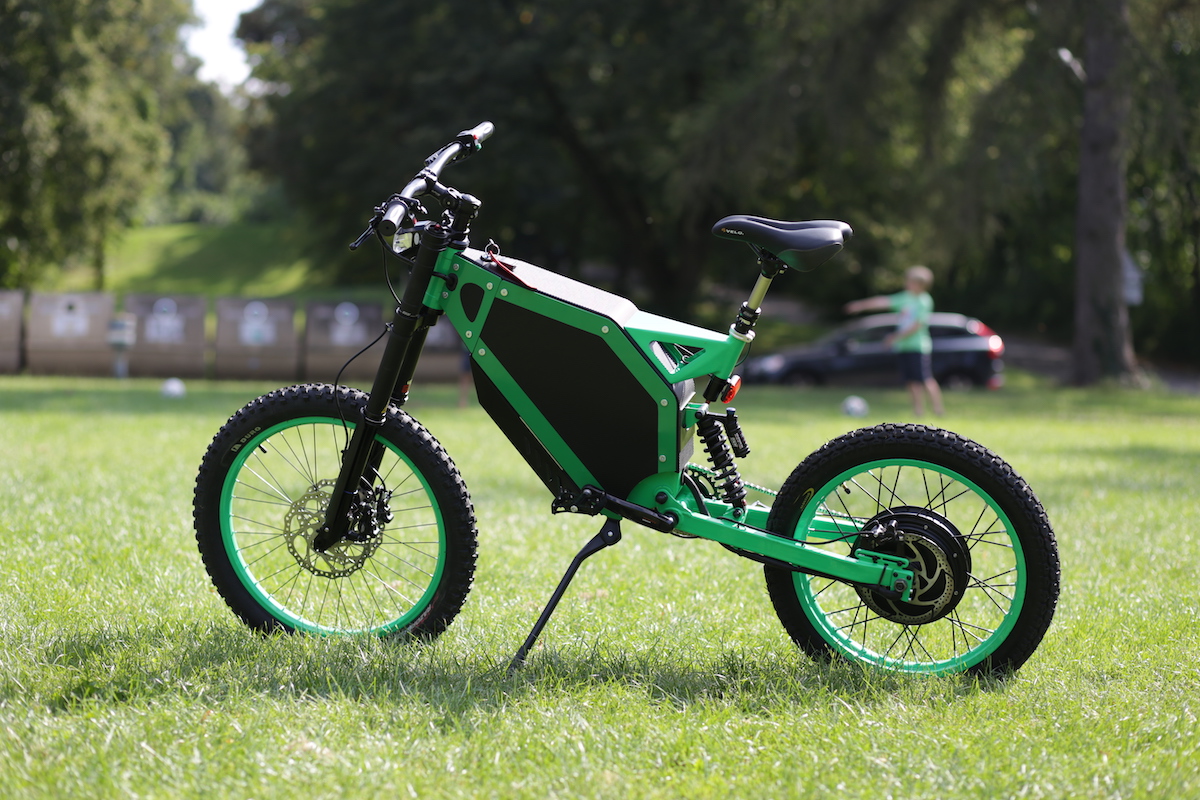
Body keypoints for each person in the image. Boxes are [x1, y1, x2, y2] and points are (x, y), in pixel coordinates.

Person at [844, 265, 945, 416]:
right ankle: (918, 411)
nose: (907, 283)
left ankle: (938, 409)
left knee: (925, 379)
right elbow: (881, 302)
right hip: (903, 347)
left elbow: (917, 325)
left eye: (910, 281)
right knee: (911, 380)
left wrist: (894, 337)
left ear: (920, 284)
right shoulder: (904, 297)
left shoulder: (924, 301)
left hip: (918, 347)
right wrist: (860, 305)